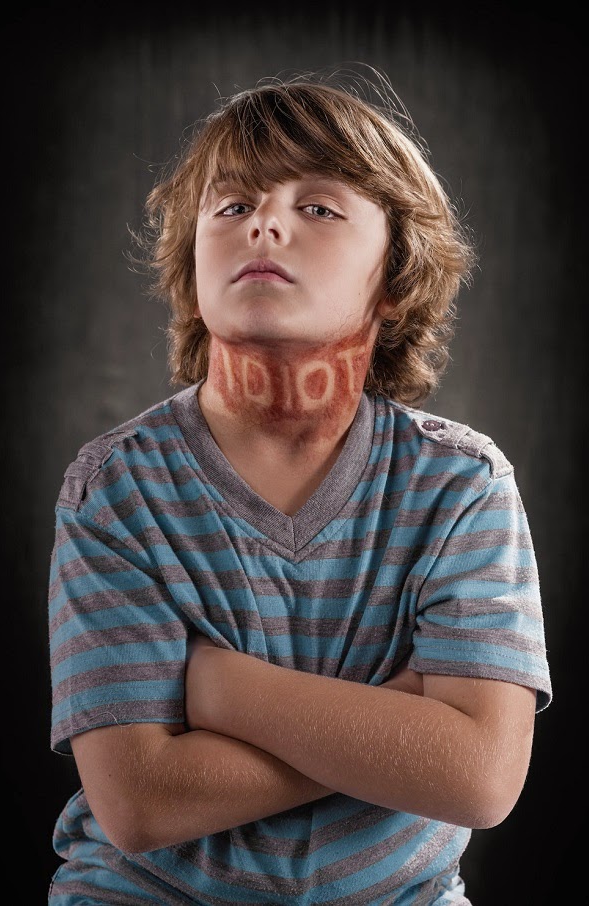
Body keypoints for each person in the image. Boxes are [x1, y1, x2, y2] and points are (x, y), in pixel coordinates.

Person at [47, 70, 552, 905]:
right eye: (231, 205)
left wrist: (219, 689)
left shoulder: (461, 484)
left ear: (395, 280)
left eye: (318, 207)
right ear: (192, 267)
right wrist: (391, 730)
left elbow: (480, 778)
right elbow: (137, 802)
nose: (265, 222)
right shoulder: (114, 488)